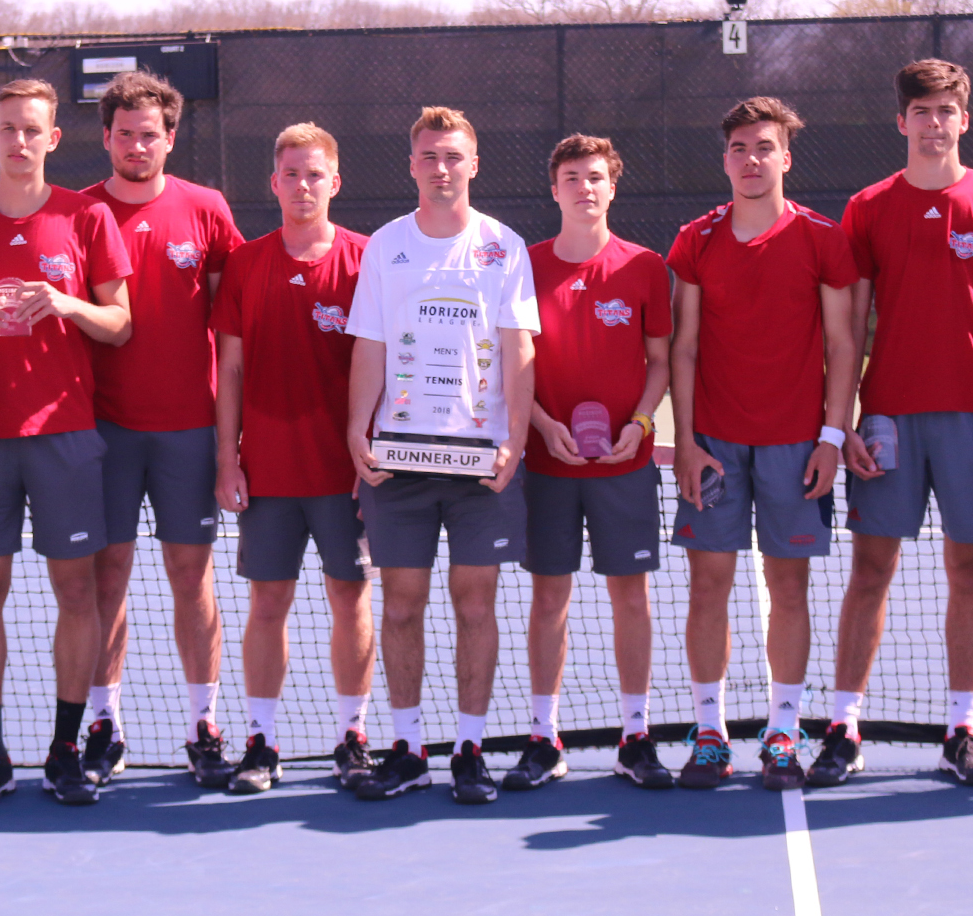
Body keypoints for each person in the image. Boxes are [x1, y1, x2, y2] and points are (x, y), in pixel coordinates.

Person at [812, 60, 973, 789]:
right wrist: (841, 425)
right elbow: (847, 328)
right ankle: (844, 727)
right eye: (922, 111)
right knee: (870, 571)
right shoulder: (869, 207)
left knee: (968, 573)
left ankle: (961, 730)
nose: (934, 123)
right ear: (901, 121)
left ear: (963, 120)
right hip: (889, 419)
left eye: (946, 111)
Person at [0, 79, 133, 807]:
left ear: (53, 140)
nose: (20, 141)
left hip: (66, 436)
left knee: (76, 591)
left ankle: (64, 749)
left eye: (33, 130)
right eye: (8, 128)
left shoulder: (86, 216)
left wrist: (66, 302)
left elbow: (122, 323)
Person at [344, 106, 539, 805]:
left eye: (453, 155)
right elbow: (368, 344)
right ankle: (406, 747)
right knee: (399, 604)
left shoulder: (502, 247)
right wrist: (355, 430)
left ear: (473, 163)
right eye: (429, 156)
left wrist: (514, 436)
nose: (441, 167)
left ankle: (469, 749)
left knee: (476, 603)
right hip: (400, 460)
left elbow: (519, 351)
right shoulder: (386, 247)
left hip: (479, 462)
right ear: (412, 166)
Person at [666, 97, 858, 793]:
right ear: (726, 159)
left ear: (786, 157)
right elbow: (682, 350)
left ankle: (783, 731)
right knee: (707, 586)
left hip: (796, 446)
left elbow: (843, 345)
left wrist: (831, 438)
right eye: (740, 147)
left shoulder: (821, 238)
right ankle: (711, 734)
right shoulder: (695, 239)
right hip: (714, 444)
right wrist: (684, 443)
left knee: (789, 586)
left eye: (765, 147)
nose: (752, 159)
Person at [81, 71, 246, 788]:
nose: (138, 145)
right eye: (125, 134)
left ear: (170, 138)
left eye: (150, 134)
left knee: (192, 578)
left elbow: (233, 319)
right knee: (105, 580)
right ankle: (102, 724)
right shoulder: (77, 212)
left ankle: (203, 724)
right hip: (104, 430)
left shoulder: (206, 210)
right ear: (106, 137)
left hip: (189, 430)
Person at [210, 123, 377, 794]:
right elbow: (231, 370)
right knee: (268, 605)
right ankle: (261, 742)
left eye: (316, 175)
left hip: (349, 477)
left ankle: (353, 737)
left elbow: (389, 370)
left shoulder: (368, 261)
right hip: (271, 473)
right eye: (291, 174)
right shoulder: (248, 265)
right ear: (273, 183)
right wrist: (229, 460)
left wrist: (376, 465)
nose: (303, 186)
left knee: (351, 600)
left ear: (335, 183)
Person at [512, 134, 674, 793]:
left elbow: (660, 360)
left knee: (629, 596)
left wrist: (641, 425)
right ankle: (544, 737)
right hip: (545, 464)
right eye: (572, 177)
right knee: (549, 597)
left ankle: (634, 736)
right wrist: (541, 426)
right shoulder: (521, 266)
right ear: (554, 190)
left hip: (623, 466)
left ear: (613, 187)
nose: (584, 187)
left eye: (596, 177)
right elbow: (512, 360)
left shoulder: (643, 268)